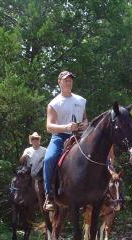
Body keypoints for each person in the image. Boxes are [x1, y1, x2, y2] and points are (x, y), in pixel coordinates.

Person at [43, 70, 88, 211]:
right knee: (48, 159)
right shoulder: (54, 103)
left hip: (79, 136)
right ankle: (49, 195)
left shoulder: (81, 100)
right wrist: (66, 126)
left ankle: (104, 193)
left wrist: (85, 124)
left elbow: (86, 118)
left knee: (98, 155)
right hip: (60, 137)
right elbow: (49, 126)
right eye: (65, 80)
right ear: (59, 82)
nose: (68, 82)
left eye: (70, 80)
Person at [19, 132, 47, 210]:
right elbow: (21, 161)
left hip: (40, 172)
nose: (35, 140)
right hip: (29, 171)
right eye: (33, 139)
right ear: (31, 141)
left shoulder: (44, 150)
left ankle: (49, 197)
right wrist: (24, 156)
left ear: (39, 140)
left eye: (36, 138)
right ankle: (20, 197)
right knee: (20, 182)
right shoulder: (27, 150)